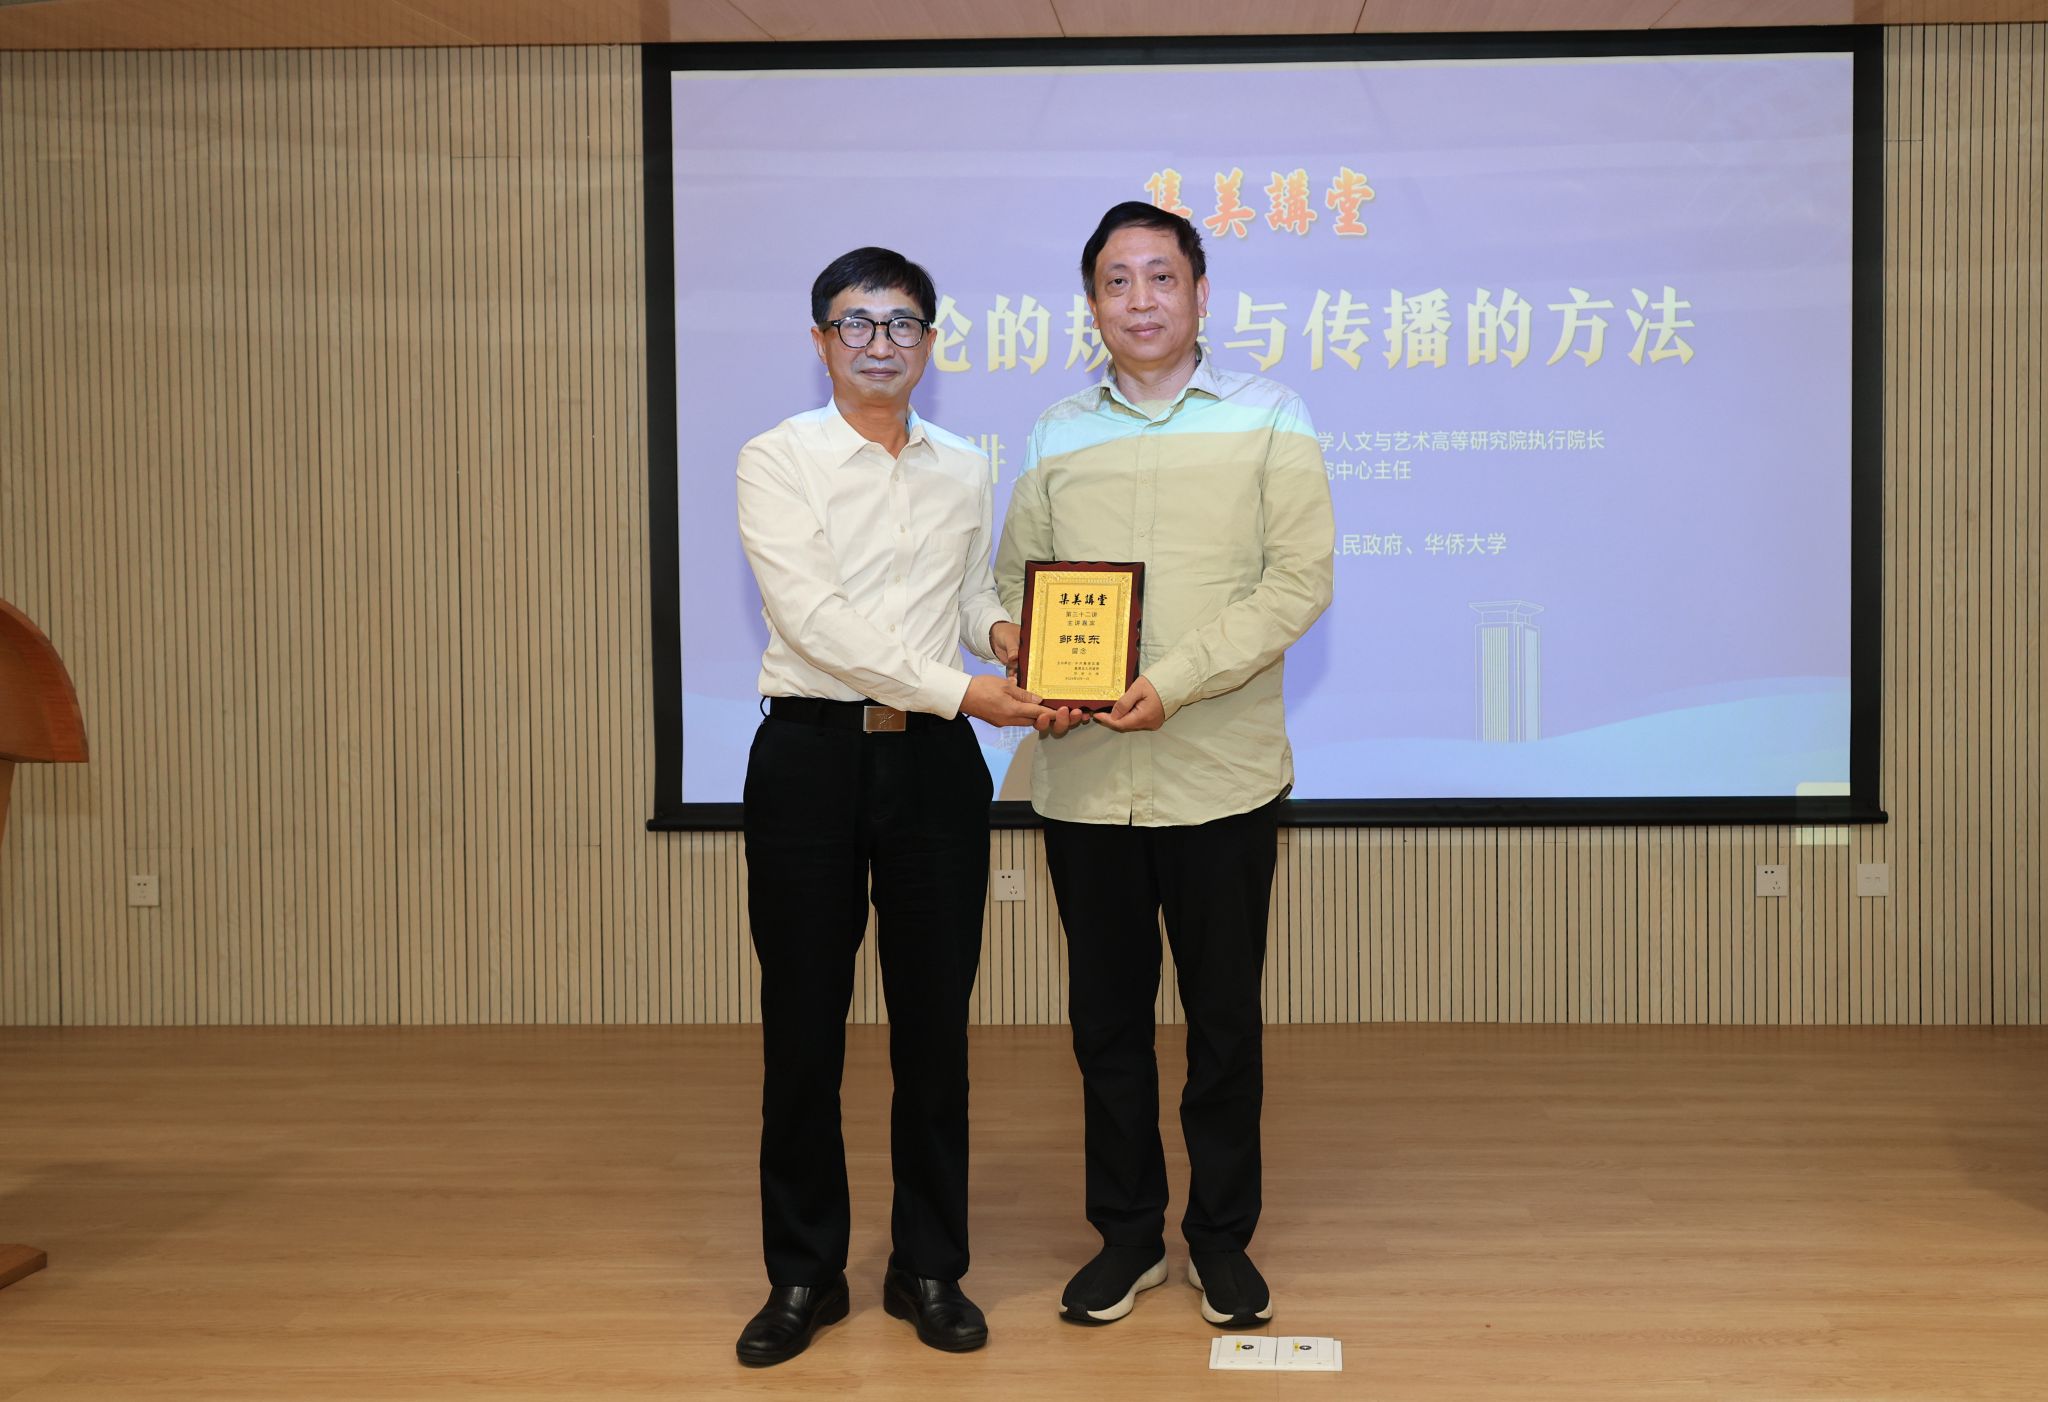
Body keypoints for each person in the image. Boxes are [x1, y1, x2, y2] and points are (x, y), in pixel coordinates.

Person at [995, 203, 1336, 1331]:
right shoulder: (1053, 433)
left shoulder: (1271, 416)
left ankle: (1220, 1241)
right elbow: (1010, 585)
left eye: (1159, 276)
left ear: (1200, 291)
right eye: (1115, 280)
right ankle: (1128, 1236)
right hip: (1085, 784)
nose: (1138, 299)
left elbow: (1297, 583)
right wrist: (1024, 653)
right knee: (1107, 1028)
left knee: (1221, 1026)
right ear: (1090, 302)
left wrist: (1174, 679)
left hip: (1219, 776)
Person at [733, 246, 1059, 1367]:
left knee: (934, 1030)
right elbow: (815, 621)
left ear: (930, 340)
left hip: (932, 768)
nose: (881, 343)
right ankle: (803, 1273)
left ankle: (928, 1267)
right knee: (802, 1027)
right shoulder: (776, 458)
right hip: (809, 760)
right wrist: (965, 688)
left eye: (902, 323)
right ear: (820, 340)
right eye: (856, 323)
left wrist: (1007, 635)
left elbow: (963, 596)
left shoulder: (963, 466)